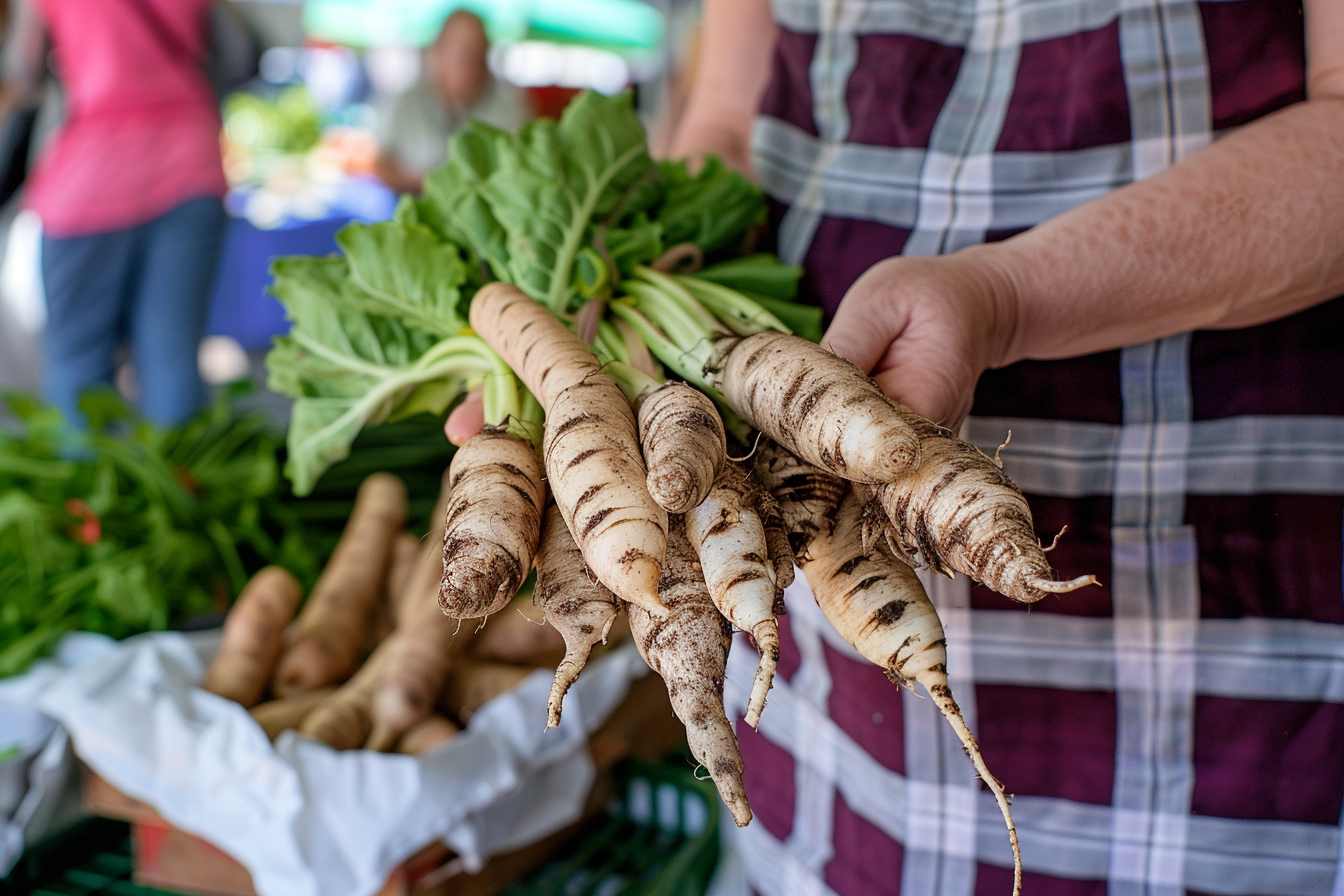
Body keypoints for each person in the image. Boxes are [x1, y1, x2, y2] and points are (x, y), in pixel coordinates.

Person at [663, 1, 1344, 894]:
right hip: (813, 622)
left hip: (1203, 591)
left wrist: (1006, 296)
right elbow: (730, 122)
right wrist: (600, 354)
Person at [3, 0, 229, 426]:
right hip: (191, 159)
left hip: (92, 176)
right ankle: (179, 486)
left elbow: (22, 71)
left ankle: (91, 490)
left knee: (78, 362)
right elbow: (230, 51)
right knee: (172, 357)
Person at [373, 9, 530, 195]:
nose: (468, 61)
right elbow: (379, 164)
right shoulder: (405, 102)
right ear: (437, 51)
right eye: (459, 50)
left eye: (476, 52)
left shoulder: (509, 104)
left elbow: (523, 167)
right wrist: (426, 183)